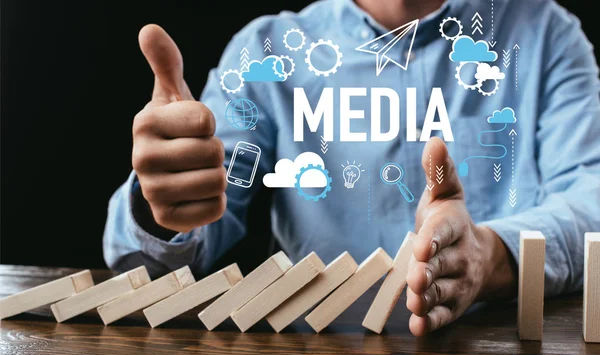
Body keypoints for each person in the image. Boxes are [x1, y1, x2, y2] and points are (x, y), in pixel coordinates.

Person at [103, 0, 600, 336]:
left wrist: (487, 255)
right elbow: (160, 256)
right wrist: (162, 206)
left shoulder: (545, 33)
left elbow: (591, 202)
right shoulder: (269, 51)